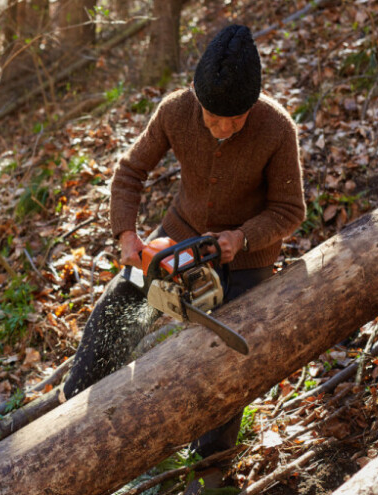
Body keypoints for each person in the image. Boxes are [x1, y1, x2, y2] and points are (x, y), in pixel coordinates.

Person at [61, 24, 305, 491]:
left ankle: (210, 469)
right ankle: (75, 408)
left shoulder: (276, 128)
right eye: (214, 117)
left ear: (254, 103)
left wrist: (242, 238)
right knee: (120, 303)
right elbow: (130, 172)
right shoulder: (175, 110)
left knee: (228, 355)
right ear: (196, 95)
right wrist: (127, 234)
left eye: (236, 119)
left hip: (245, 258)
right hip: (180, 235)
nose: (223, 128)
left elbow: (290, 210)